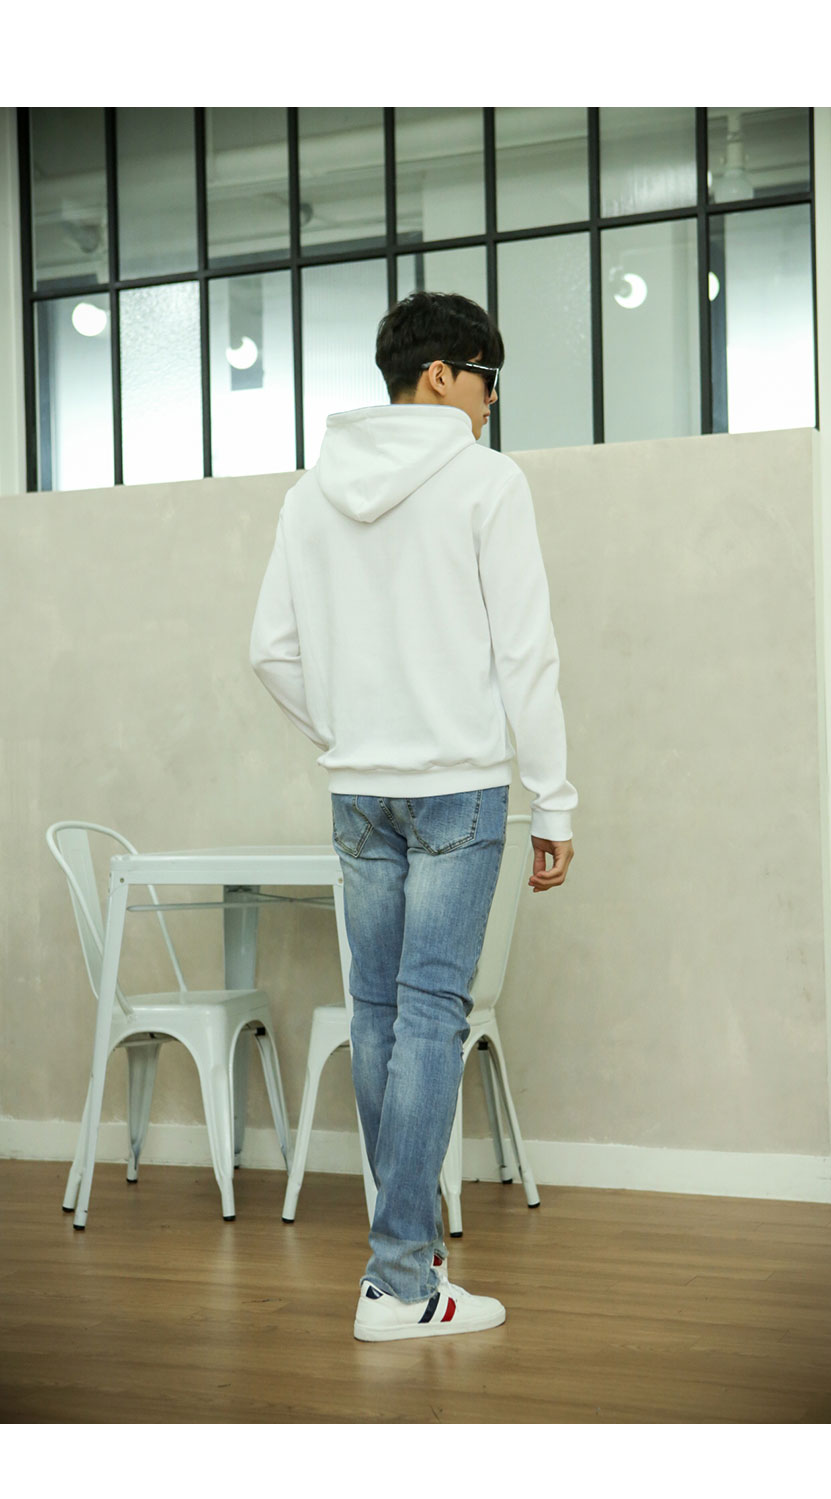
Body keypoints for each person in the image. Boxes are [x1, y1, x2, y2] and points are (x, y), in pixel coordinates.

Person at [249, 290, 577, 1343]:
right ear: (440, 374)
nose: (489, 400)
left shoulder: (310, 494)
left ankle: (407, 1264)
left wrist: (347, 730)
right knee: (431, 1015)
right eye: (486, 377)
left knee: (381, 1016)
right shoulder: (487, 482)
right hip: (458, 787)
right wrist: (554, 797)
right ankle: (398, 1280)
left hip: (358, 790)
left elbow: (269, 652)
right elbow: (525, 653)